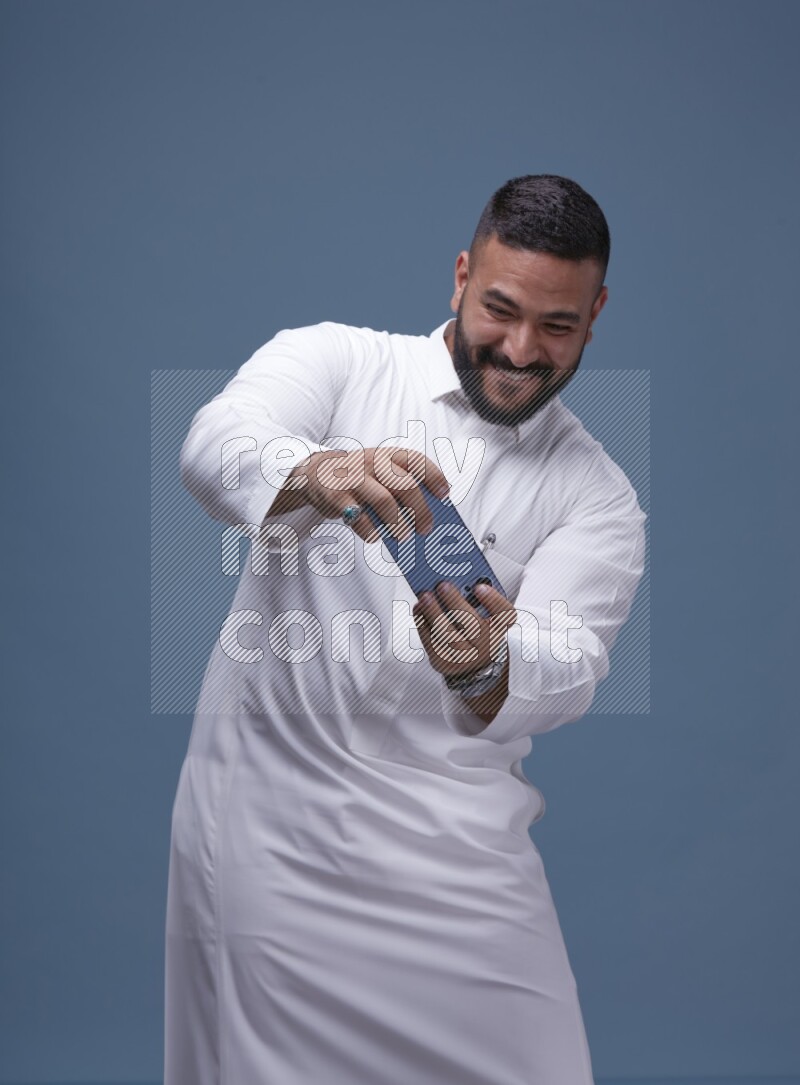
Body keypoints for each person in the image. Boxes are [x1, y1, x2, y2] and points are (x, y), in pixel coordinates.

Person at [164, 174, 646, 1084]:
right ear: (461, 276)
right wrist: (315, 472)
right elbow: (213, 442)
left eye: (556, 325)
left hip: (458, 848)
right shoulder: (339, 359)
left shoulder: (599, 493)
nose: (520, 349)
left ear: (596, 315)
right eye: (500, 309)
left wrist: (487, 665)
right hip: (271, 827)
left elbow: (570, 660)